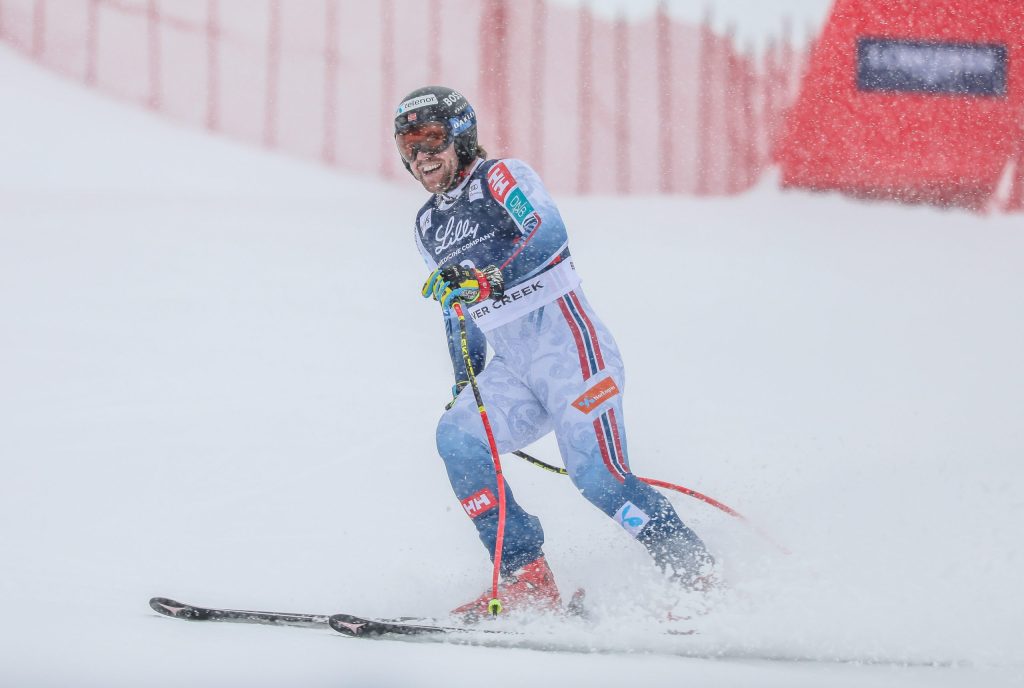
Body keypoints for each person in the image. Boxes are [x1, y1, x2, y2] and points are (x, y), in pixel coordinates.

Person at [394, 86, 714, 620]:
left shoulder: (500, 178)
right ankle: (527, 578)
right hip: (515, 371)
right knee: (457, 437)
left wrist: (488, 277)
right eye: (408, 144)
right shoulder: (428, 224)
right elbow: (456, 306)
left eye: (430, 138)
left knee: (598, 479)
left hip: (571, 351)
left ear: (460, 134)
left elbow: (549, 231)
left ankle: (700, 578)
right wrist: (463, 377)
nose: (421, 156)